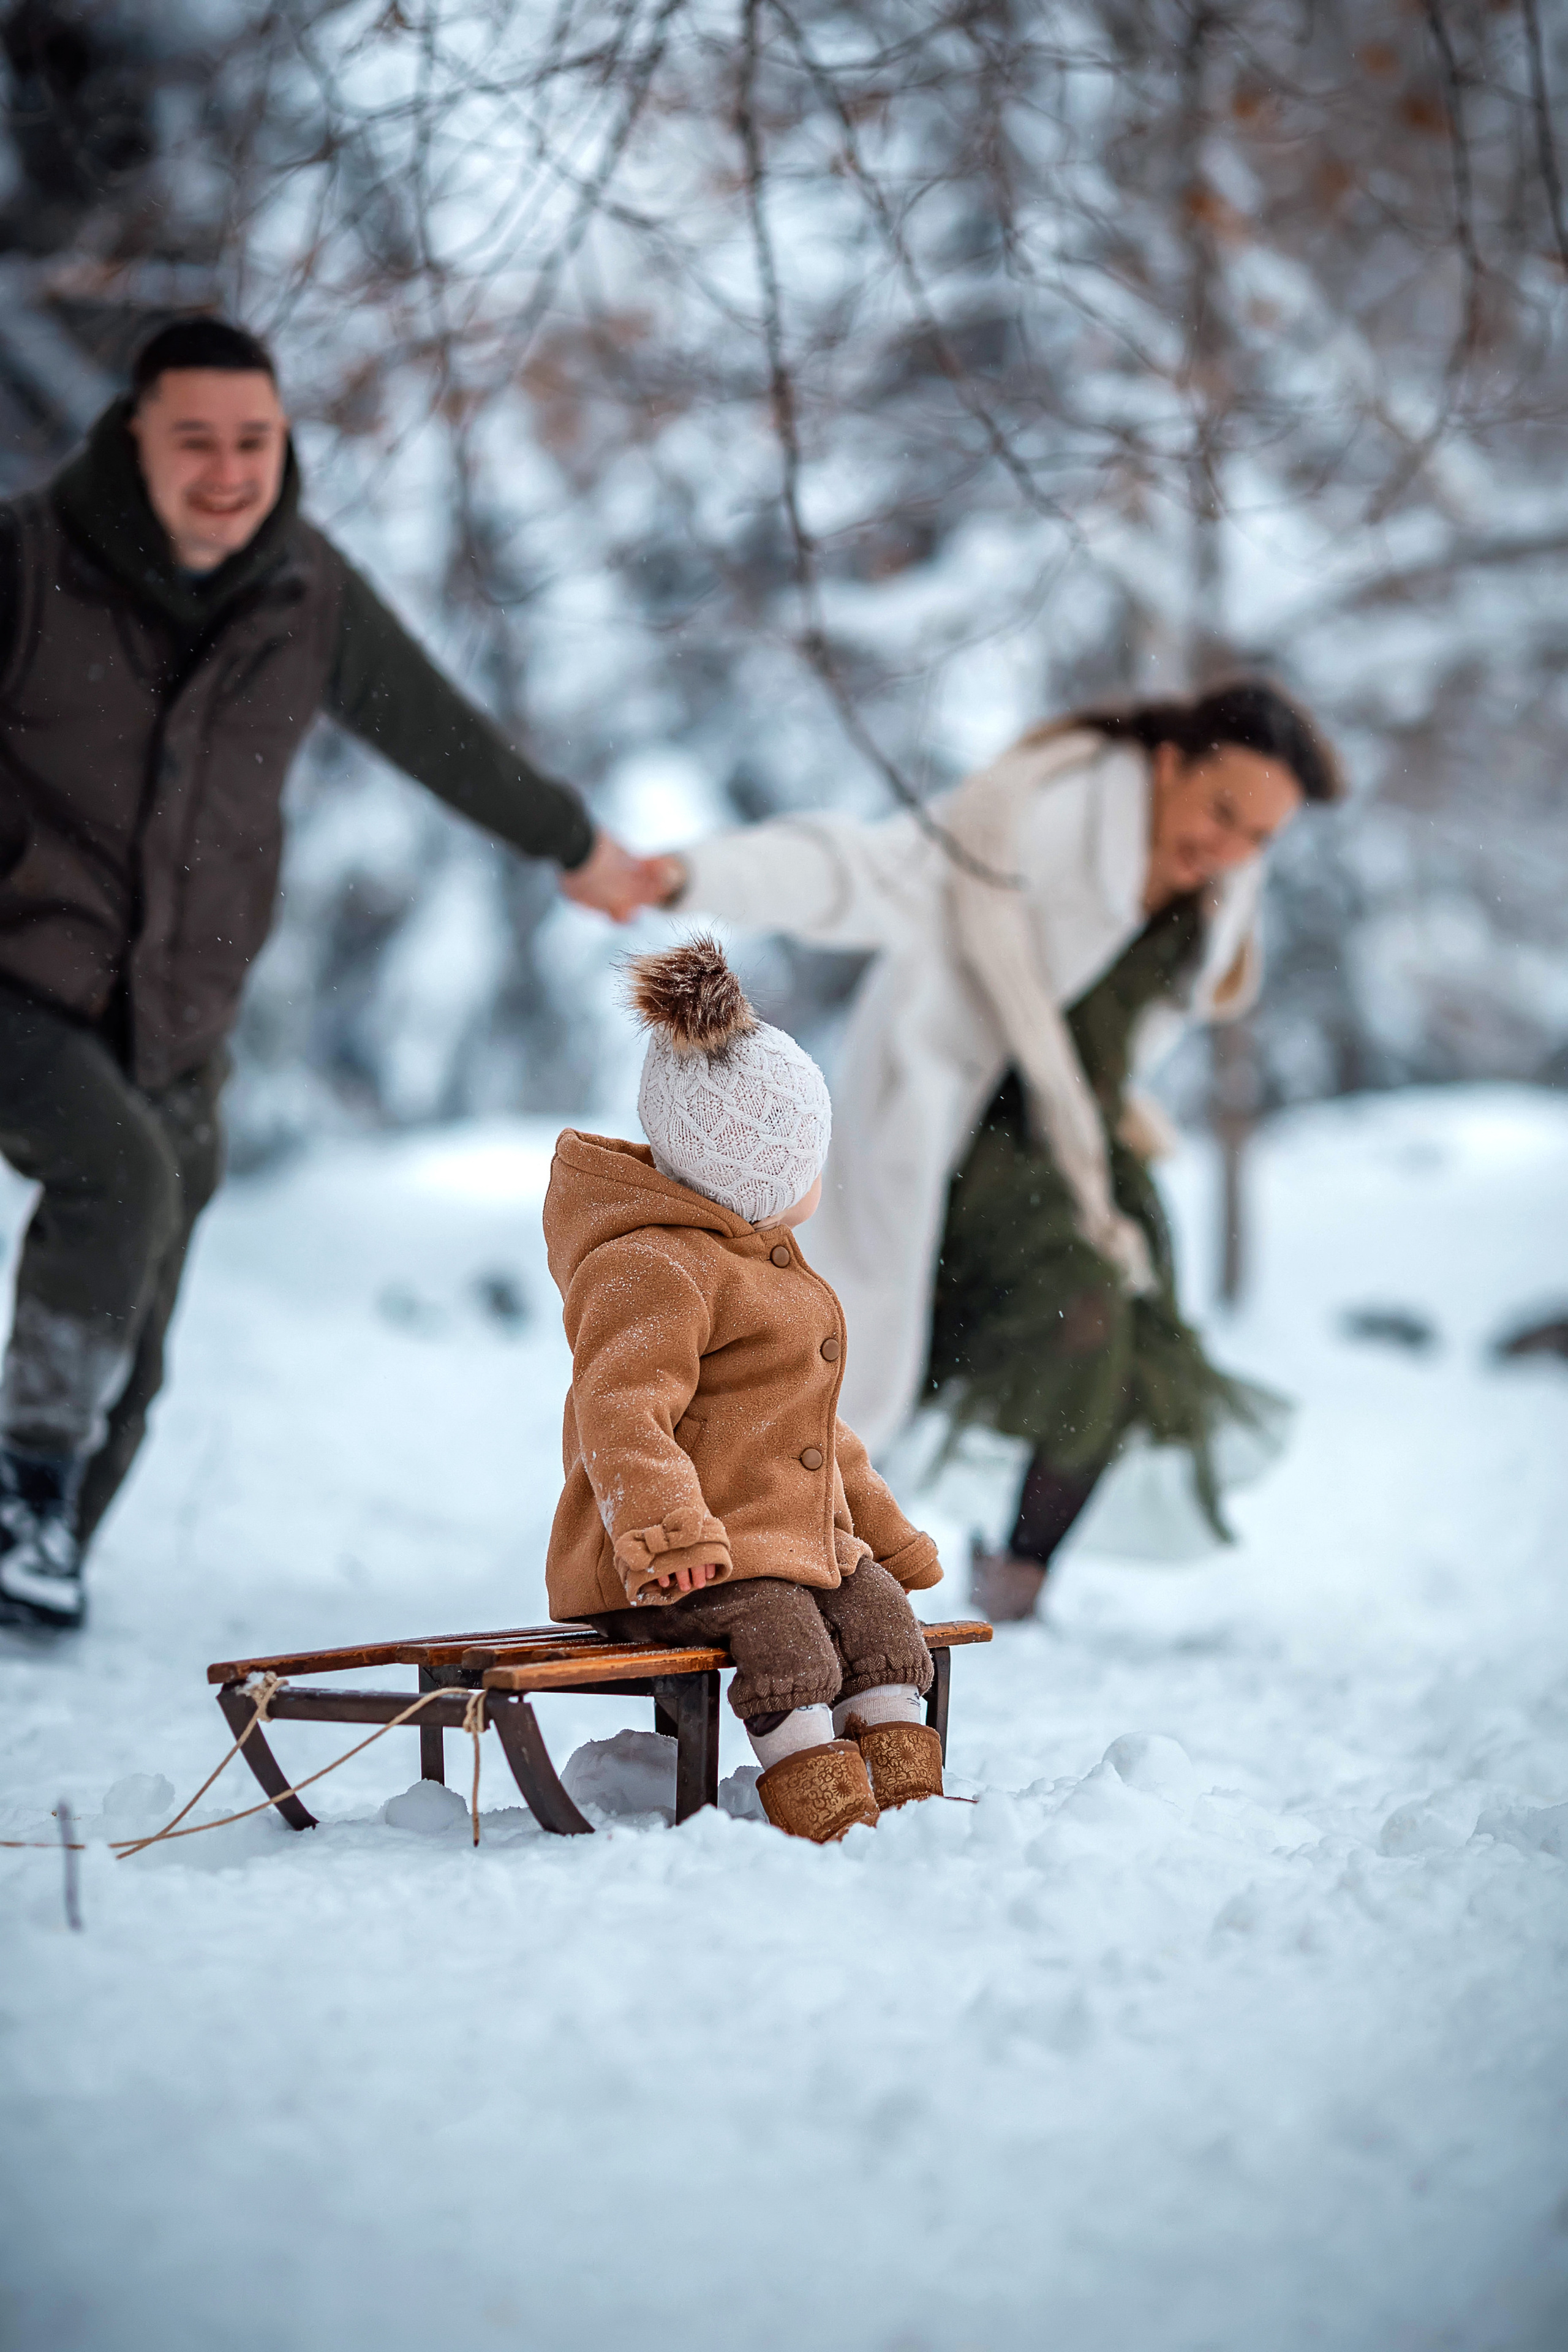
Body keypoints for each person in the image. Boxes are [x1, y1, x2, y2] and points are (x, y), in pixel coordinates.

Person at [0, 315, 670, 1630]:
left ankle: (46, 1547)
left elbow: (436, 732)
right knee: (117, 1177)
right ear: (134, 436)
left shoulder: (303, 592)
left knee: (146, 1281)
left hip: (178, 1013)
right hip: (21, 976)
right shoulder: (27, 564)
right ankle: (25, 1489)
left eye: (252, 441)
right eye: (195, 440)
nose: (227, 472)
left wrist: (575, 845)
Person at [650, 682, 1343, 1619]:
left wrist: (1101, 1102)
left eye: (1260, 836)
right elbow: (867, 869)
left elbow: (1153, 1008)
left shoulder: (1224, 876)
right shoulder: (1043, 820)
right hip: (966, 1138)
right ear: (1169, 763)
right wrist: (684, 877)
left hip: (1082, 1142)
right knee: (1019, 1326)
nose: (1232, 849)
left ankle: (1015, 1581)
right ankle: (754, 1556)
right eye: (1222, 813)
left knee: (1126, 1352)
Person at [541, 935, 946, 1841]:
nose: (818, 1182)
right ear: (752, 1180)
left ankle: (905, 1797)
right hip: (667, 1562)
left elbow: (818, 1437)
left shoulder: (758, 1263)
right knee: (784, 1634)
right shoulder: (652, 1269)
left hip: (785, 1542)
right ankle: (819, 1802)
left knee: (878, 1615)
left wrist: (885, 1537)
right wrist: (669, 1536)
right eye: (808, 1166)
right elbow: (621, 1415)